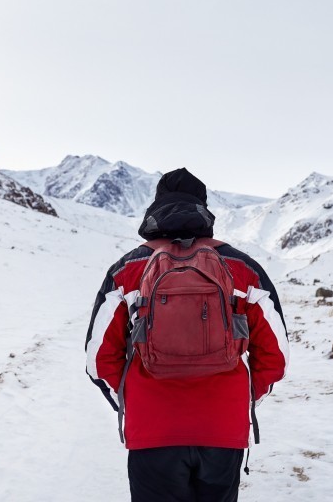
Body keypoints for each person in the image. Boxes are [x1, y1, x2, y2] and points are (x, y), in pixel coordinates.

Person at [85, 168, 289, 501]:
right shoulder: (242, 268)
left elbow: (98, 359)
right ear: (204, 207)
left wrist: (130, 402)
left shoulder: (128, 269)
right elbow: (275, 355)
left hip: (152, 431)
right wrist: (243, 401)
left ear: (156, 206)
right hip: (223, 429)